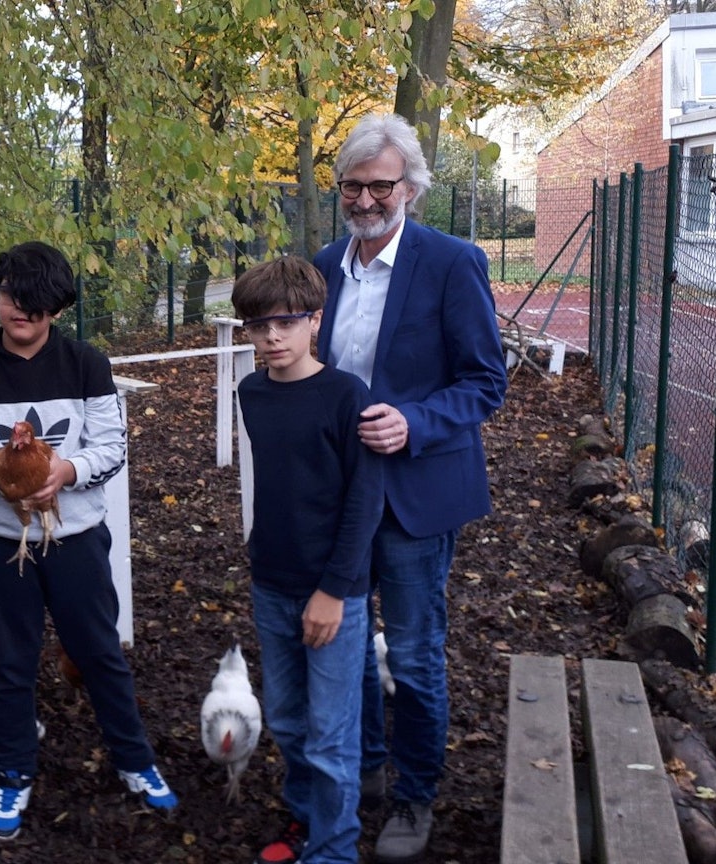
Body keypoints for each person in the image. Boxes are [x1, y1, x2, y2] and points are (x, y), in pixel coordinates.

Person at [0, 240, 177, 841]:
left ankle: (135, 759)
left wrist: (66, 473)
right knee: (9, 662)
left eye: (37, 305)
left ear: (57, 309)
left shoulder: (86, 363)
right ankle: (14, 771)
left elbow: (111, 446)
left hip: (76, 535)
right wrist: (0, 480)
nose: (22, 312)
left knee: (99, 652)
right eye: (13, 297)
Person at [311, 113, 508, 863]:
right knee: (349, 643)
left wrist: (415, 422)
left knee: (417, 652)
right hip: (339, 491)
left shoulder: (452, 263)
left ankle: (415, 793)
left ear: (411, 190)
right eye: (352, 186)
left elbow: (486, 382)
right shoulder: (327, 265)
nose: (364, 199)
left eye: (379, 185)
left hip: (417, 490)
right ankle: (361, 768)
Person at [232, 258, 385, 864]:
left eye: (286, 322)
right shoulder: (252, 393)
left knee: (329, 735)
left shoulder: (347, 396)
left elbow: (363, 501)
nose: (271, 336)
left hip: (333, 593)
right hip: (271, 582)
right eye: (257, 325)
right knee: (290, 723)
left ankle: (335, 850)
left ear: (315, 321)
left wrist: (335, 591)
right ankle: (308, 820)